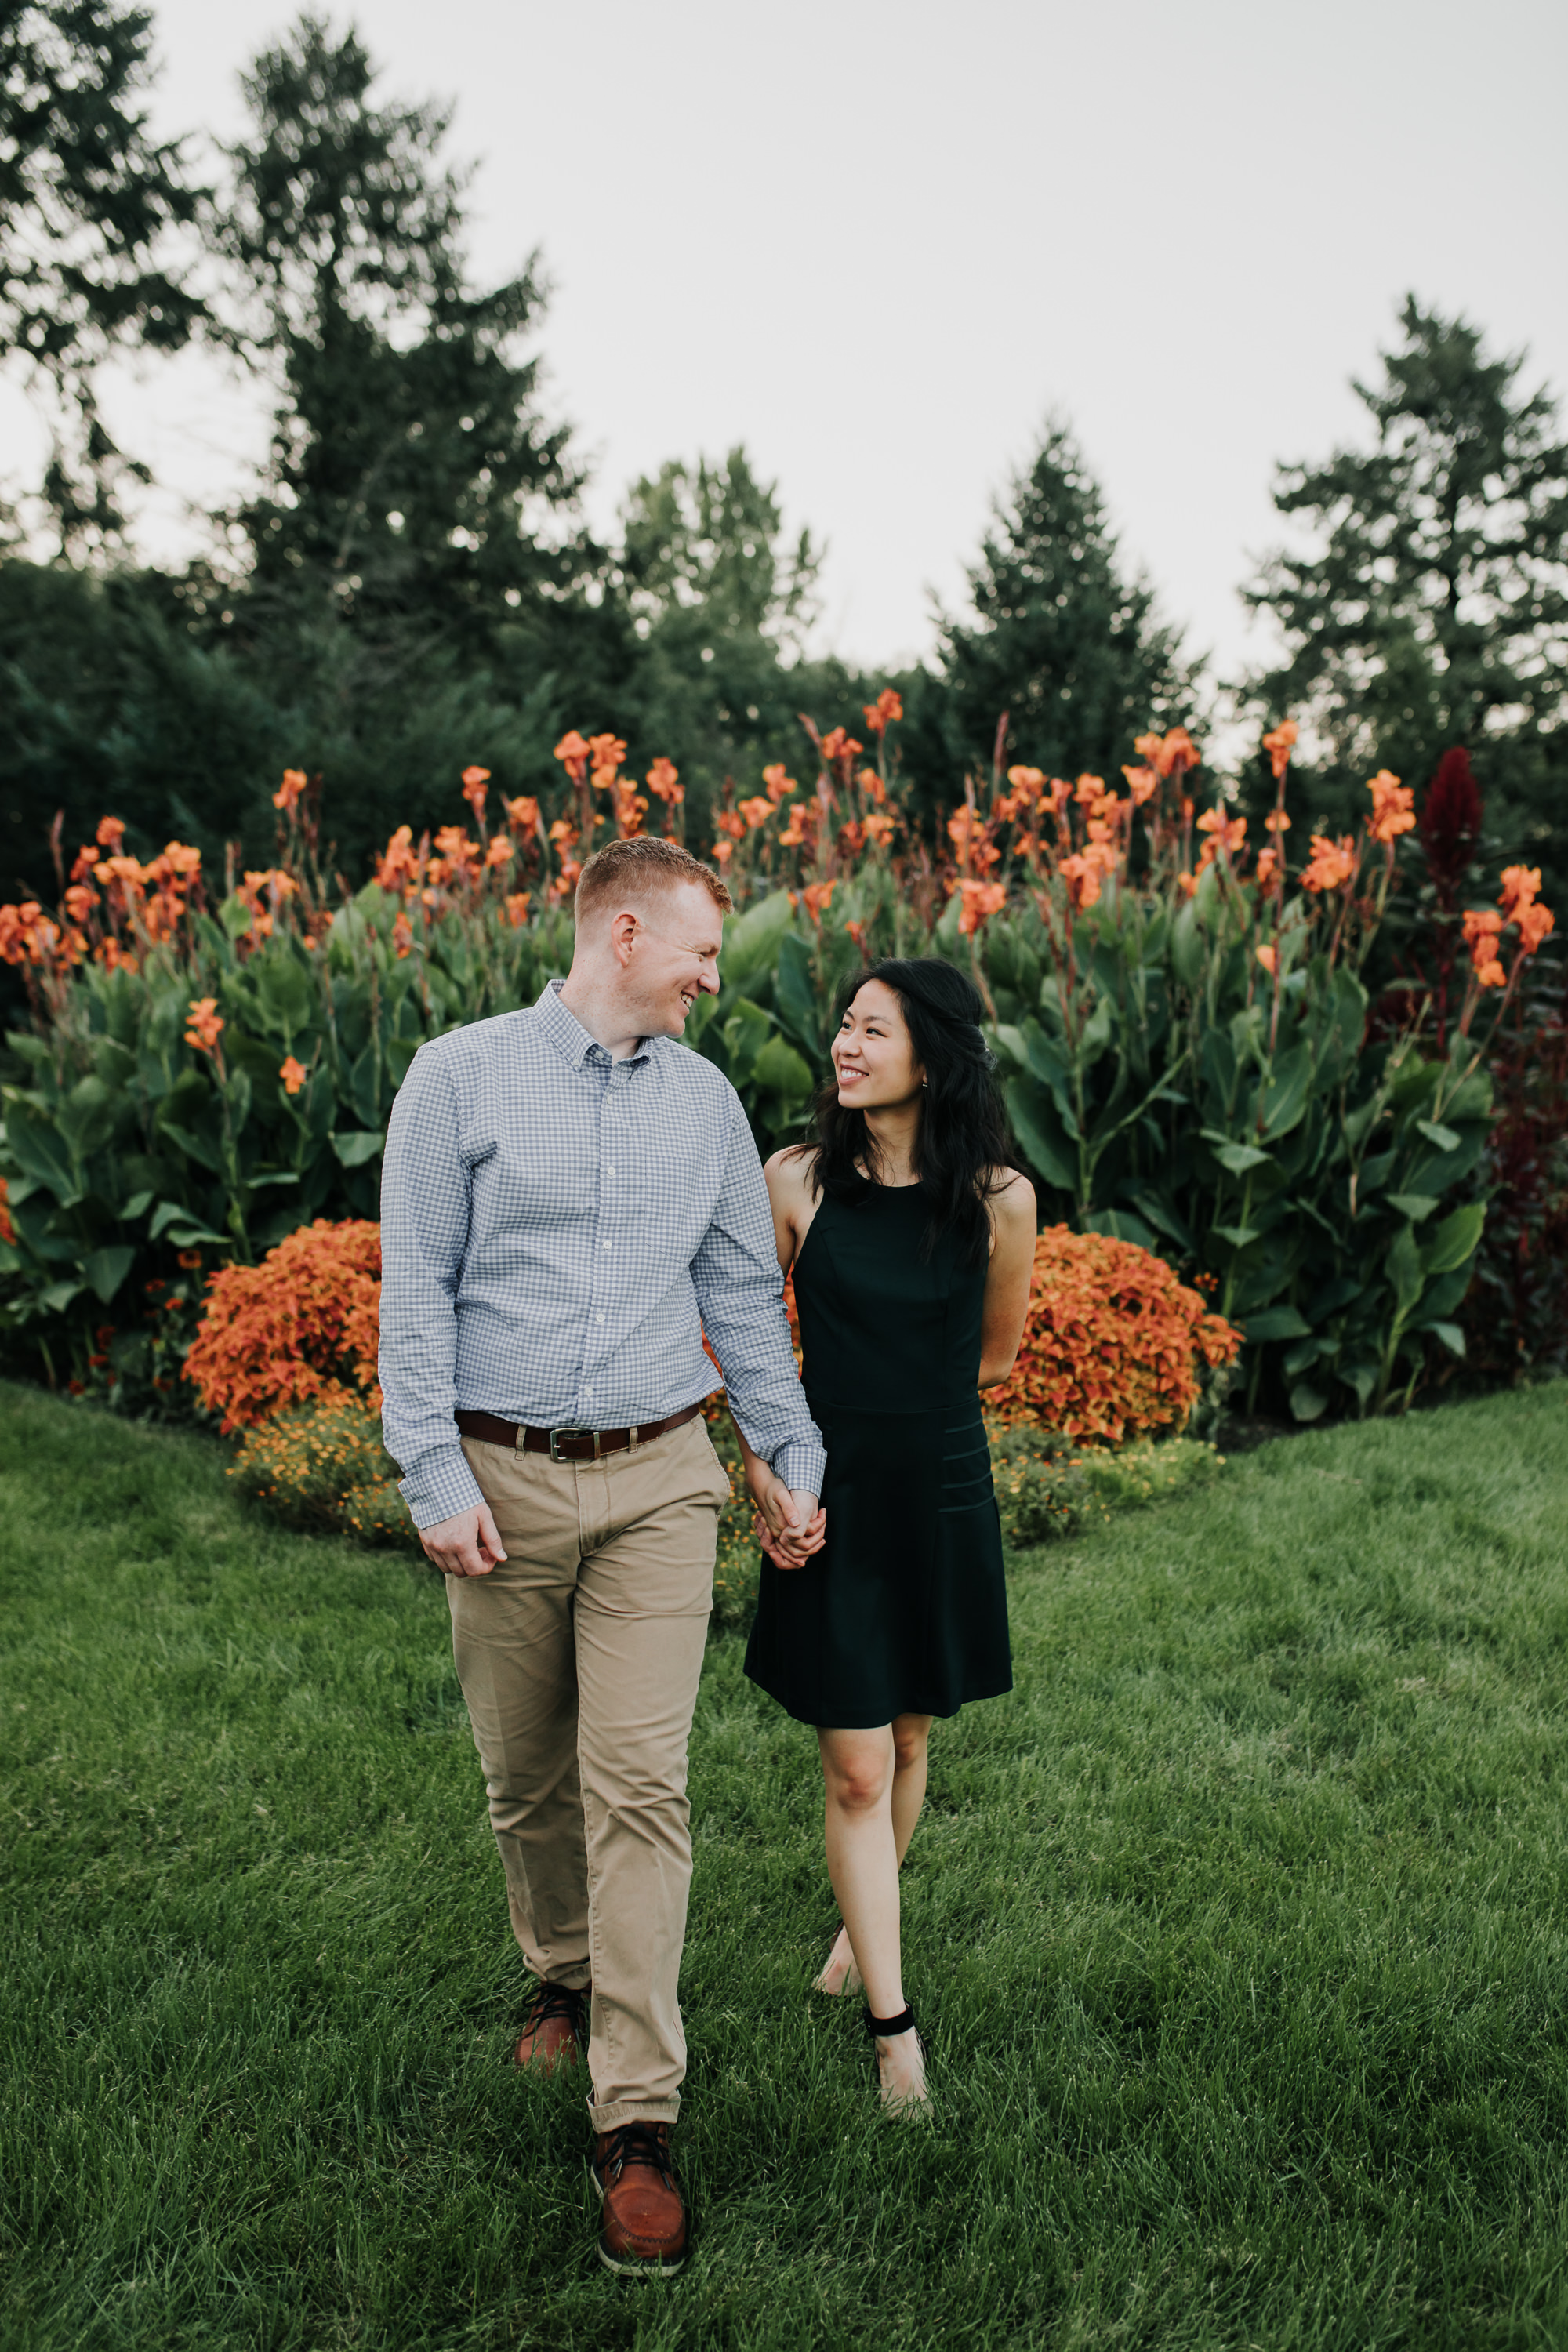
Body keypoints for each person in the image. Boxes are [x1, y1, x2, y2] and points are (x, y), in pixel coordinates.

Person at [378, 834, 826, 2275]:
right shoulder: (457, 1078)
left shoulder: (704, 1105)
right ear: (621, 935)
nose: (714, 975)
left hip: (655, 1484)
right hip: (500, 1483)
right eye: (700, 950)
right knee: (528, 1777)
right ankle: (557, 1973)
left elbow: (742, 1298)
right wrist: (432, 1471)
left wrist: (786, 1446)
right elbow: (414, 1292)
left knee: (642, 1785)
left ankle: (636, 2118)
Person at [739, 957, 1036, 2111]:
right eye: (844, 1028)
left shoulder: (999, 1199)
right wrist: (769, 1466)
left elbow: (995, 1359)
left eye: (874, 1031)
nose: (845, 1048)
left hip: (942, 1487)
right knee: (859, 1767)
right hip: (833, 1488)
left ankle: (863, 1930)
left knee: (910, 1743)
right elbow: (753, 1349)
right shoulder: (797, 1182)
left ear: (935, 1054)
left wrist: (917, 1419)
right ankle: (892, 2032)